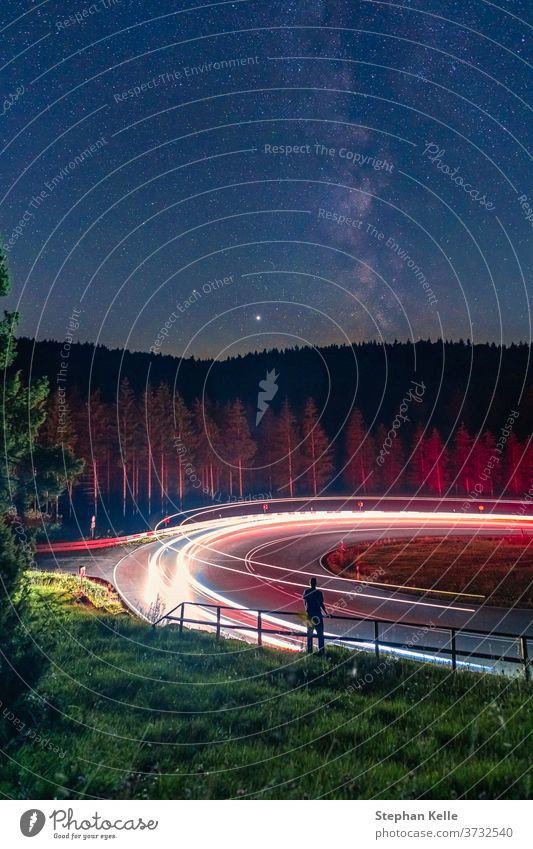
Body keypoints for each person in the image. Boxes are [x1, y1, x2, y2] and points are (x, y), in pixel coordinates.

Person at [303, 577, 328, 655]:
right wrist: (326, 613)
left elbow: (305, 603)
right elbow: (321, 604)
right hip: (318, 614)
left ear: (310, 583)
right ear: (316, 584)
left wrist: (307, 611)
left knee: (310, 633)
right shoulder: (319, 593)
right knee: (320, 634)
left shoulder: (306, 592)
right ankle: (321, 651)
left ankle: (309, 651)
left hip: (310, 615)